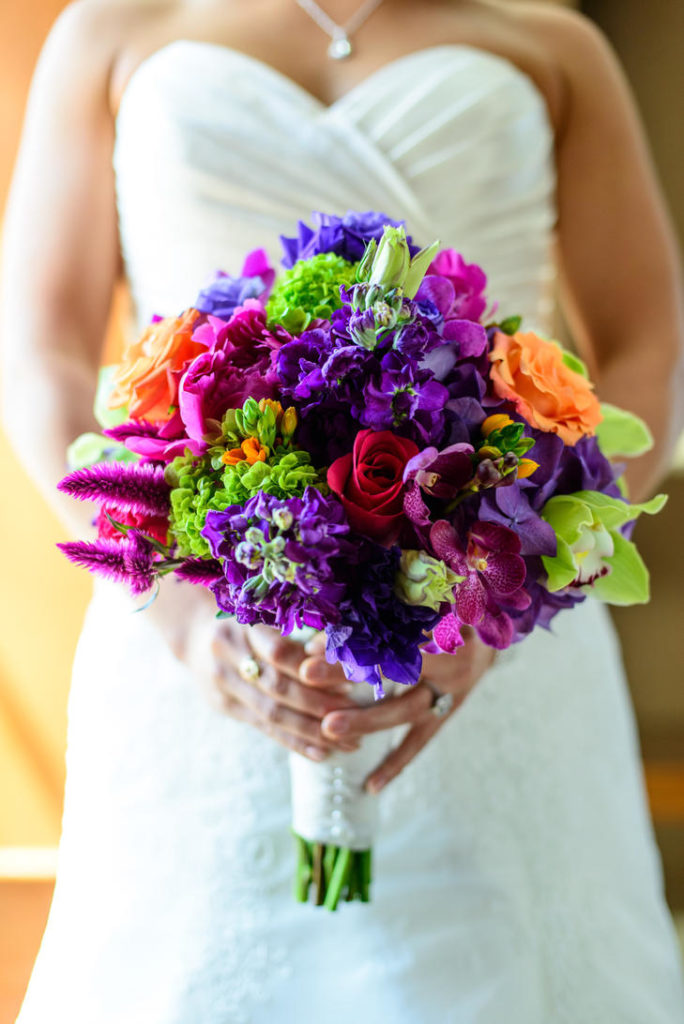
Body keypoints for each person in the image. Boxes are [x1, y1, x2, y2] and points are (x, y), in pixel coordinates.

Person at [2, 0, 684, 1020]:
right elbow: (41, 354)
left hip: (495, 618)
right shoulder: (114, 30)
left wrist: (506, 594)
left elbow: (648, 344)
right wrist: (188, 627)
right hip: (198, 615)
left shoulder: (551, 44)